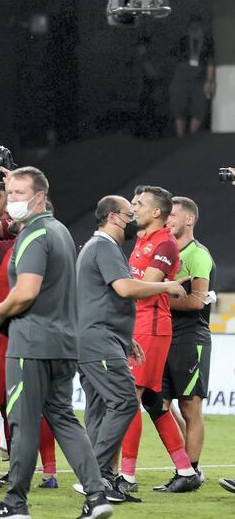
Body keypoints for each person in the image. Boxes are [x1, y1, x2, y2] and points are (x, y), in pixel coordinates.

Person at [0, 167, 112, 519]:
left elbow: (27, 291)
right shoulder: (61, 230)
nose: (12, 199)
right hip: (64, 341)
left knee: (22, 422)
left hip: (32, 343)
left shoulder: (35, 234)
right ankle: (97, 497)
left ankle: (15, 503)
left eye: (20, 193)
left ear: (39, 198)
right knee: (64, 418)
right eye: (11, 191)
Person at [76, 195, 187, 501]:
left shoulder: (100, 247)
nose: (133, 217)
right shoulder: (104, 247)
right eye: (129, 212)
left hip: (99, 337)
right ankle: (96, 474)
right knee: (125, 402)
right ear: (113, 217)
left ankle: (104, 482)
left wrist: (125, 339)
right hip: (98, 340)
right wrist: (167, 286)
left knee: (99, 409)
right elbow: (124, 289)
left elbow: (103, 300)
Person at [119, 186, 201, 494]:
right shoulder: (143, 239)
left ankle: (126, 477)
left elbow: (147, 286)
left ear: (156, 212)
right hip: (138, 326)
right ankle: (185, 469)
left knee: (128, 401)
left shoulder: (165, 244)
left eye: (139, 203)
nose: (134, 207)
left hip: (151, 329)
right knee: (154, 403)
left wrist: (116, 283)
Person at [166, 196, 215, 480]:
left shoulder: (197, 254)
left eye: (173, 215)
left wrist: (156, 300)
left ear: (189, 219)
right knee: (156, 403)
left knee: (190, 405)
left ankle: (191, 470)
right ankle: (185, 465)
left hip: (190, 337)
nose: (168, 219)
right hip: (164, 335)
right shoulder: (167, 251)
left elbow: (197, 302)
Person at [169, 14, 215, 137]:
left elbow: (210, 61)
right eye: (192, 26)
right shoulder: (183, 41)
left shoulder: (207, 41)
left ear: (202, 27)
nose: (195, 28)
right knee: (179, 106)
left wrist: (209, 80)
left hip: (199, 76)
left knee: (199, 107)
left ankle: (192, 137)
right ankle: (180, 137)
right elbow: (173, 59)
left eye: (197, 26)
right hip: (182, 75)